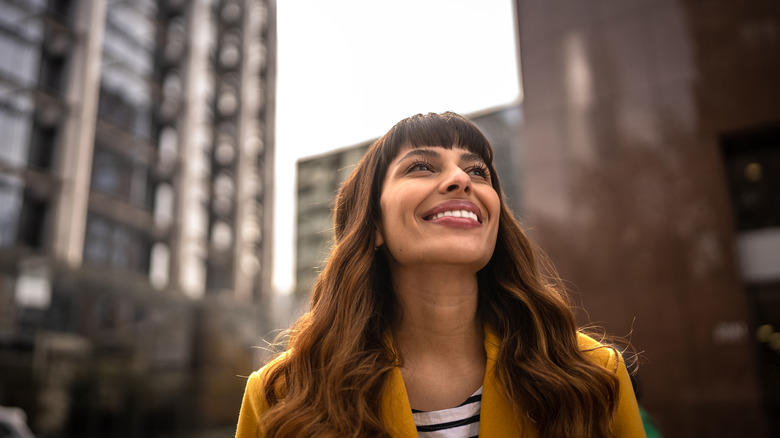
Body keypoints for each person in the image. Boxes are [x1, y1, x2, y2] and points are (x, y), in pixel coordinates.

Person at [236, 112, 646, 437]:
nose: (460, 179)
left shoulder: (592, 374)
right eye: (421, 167)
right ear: (374, 225)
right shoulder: (279, 396)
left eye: (479, 171)